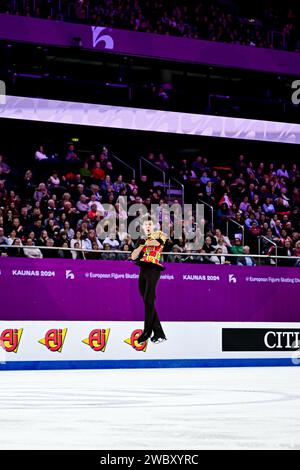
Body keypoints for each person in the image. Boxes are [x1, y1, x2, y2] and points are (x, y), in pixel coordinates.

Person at [131, 215, 167, 344]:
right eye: (146, 225)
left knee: (149, 299)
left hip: (154, 269)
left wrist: (143, 244)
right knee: (147, 301)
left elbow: (157, 243)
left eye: (150, 224)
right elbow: (134, 256)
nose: (148, 226)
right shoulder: (141, 239)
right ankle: (159, 332)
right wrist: (141, 246)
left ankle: (147, 331)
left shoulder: (160, 234)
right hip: (143, 270)